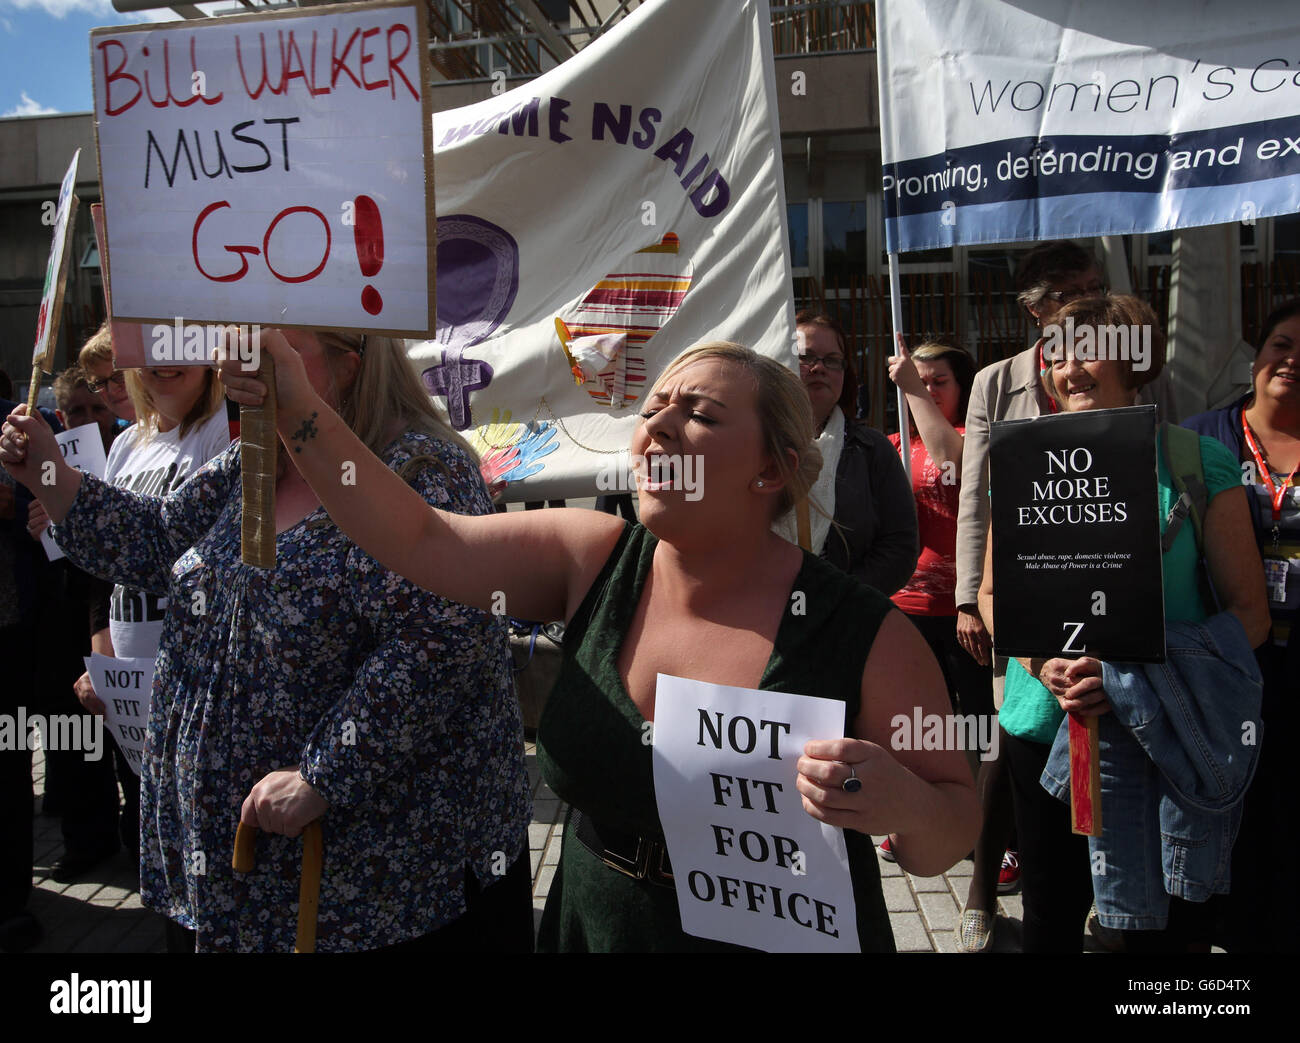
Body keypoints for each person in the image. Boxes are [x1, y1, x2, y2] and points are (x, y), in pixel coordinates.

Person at [209, 333, 979, 952]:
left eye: (701, 415)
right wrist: (298, 409)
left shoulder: (872, 633)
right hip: (595, 923)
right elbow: (418, 536)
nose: (660, 425)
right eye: (653, 407)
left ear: (771, 469)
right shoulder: (590, 556)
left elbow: (950, 830)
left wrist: (901, 799)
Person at [2, 330, 532, 952]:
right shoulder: (264, 453)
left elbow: (448, 639)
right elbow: (156, 537)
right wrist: (46, 471)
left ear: (348, 363)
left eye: (274, 350)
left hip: (368, 887)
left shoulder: (420, 469)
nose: (235, 366)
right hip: (244, 873)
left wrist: (322, 775)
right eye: (240, 346)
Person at [979, 294, 1269, 953]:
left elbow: (1248, 614)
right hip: (1046, 728)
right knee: (1049, 919)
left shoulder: (1197, 464)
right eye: (1056, 353)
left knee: (1159, 934)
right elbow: (994, 594)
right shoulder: (1023, 461)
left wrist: (1136, 675)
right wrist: (1039, 662)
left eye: (1086, 349)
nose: (1067, 367)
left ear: (1136, 359)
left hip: (1161, 733)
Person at [952, 241, 1109, 930]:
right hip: (1012, 589)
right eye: (1075, 290)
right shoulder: (995, 381)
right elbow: (976, 495)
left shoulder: (1121, 366)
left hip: (1104, 583)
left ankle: (1099, 889)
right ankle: (984, 890)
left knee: (1098, 729)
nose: (1090, 300)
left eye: (1097, 287)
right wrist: (968, 595)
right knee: (1015, 734)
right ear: (1037, 308)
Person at [1183, 298, 1300, 952]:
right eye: (1280, 344)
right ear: (1256, 356)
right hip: (1225, 660)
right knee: (1231, 808)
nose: (1290, 362)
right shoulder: (1204, 438)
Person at [887, 338, 1004, 949]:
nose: (927, 391)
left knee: (981, 728)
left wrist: (911, 389)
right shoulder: (891, 444)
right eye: (919, 381)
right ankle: (913, 822)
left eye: (940, 382)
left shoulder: (968, 437)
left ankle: (991, 843)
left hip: (965, 609)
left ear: (962, 389)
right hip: (903, 607)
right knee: (913, 725)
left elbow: (953, 464)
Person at [782, 310, 918, 596]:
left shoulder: (873, 450)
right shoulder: (750, 445)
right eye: (805, 357)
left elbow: (899, 546)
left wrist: (840, 598)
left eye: (832, 360)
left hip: (845, 618)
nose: (818, 368)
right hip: (761, 614)